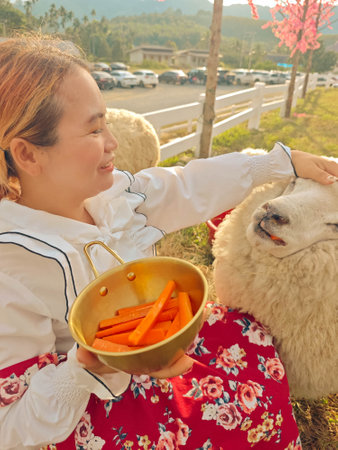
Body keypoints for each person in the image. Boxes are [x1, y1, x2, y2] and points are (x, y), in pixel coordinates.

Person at [0, 35, 337, 450]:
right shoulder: (12, 268)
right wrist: (86, 367)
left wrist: (278, 162)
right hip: (94, 408)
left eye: (106, 122)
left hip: (155, 350)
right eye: (93, 129)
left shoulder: (111, 198)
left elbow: (186, 186)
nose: (112, 142)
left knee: (250, 339)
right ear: (28, 155)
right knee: (237, 418)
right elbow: (10, 425)